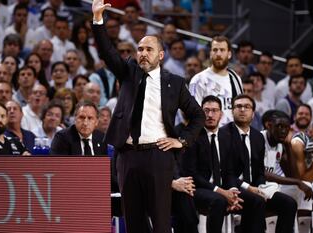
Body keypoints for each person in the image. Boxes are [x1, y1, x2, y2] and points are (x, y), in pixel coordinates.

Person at [91, 1, 205, 233]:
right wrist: (97, 19)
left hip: (158, 156)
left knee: (161, 223)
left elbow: (197, 116)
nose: (142, 53)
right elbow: (106, 52)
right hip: (127, 157)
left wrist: (181, 140)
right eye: (140, 49)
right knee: (133, 222)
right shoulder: (128, 72)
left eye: (148, 49)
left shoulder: (175, 83)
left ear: (161, 55)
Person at [221, 94, 295, 233]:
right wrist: (249, 188)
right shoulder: (223, 134)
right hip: (232, 186)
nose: (242, 109)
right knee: (257, 201)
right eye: (238, 106)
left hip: (255, 187)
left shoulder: (257, 137)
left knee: (289, 203)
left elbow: (259, 171)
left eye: (247, 107)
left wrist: (262, 187)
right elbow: (225, 173)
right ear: (232, 111)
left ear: (253, 114)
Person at [183, 95, 243, 233]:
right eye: (206, 110)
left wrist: (233, 191)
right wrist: (223, 192)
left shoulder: (226, 137)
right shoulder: (192, 136)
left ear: (221, 114)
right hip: (197, 188)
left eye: (214, 110)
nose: (210, 115)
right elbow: (192, 174)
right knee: (219, 201)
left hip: (221, 188)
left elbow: (229, 171)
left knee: (254, 200)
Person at [189, 35, 243, 127]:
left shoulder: (235, 78)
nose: (218, 54)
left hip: (232, 135)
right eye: (215, 50)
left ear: (229, 54)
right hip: (208, 134)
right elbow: (193, 113)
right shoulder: (198, 79)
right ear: (210, 53)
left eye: (222, 50)